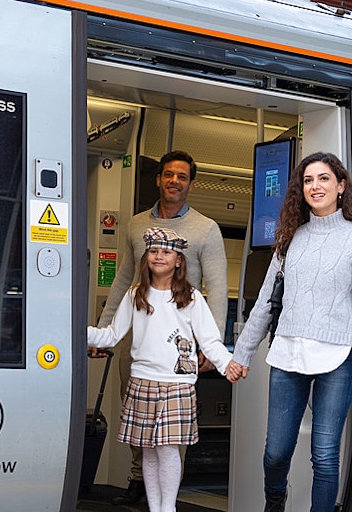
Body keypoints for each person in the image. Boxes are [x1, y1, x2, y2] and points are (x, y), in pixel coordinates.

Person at [226, 152, 352, 512]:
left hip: (338, 355)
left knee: (325, 454)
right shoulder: (290, 238)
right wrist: (241, 355)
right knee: (275, 452)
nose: (315, 186)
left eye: (323, 179)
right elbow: (267, 304)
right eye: (308, 180)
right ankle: (275, 499)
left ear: (341, 186)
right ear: (300, 190)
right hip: (288, 351)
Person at [92, 150, 228, 505]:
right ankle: (139, 481)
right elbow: (124, 281)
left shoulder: (206, 228)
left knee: (170, 432)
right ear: (158, 179)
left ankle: (166, 498)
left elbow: (216, 289)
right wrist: (104, 332)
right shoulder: (136, 224)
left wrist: (209, 347)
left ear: (191, 184)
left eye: (182, 177)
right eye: (168, 175)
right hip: (137, 343)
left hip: (179, 348)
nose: (174, 181)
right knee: (137, 417)